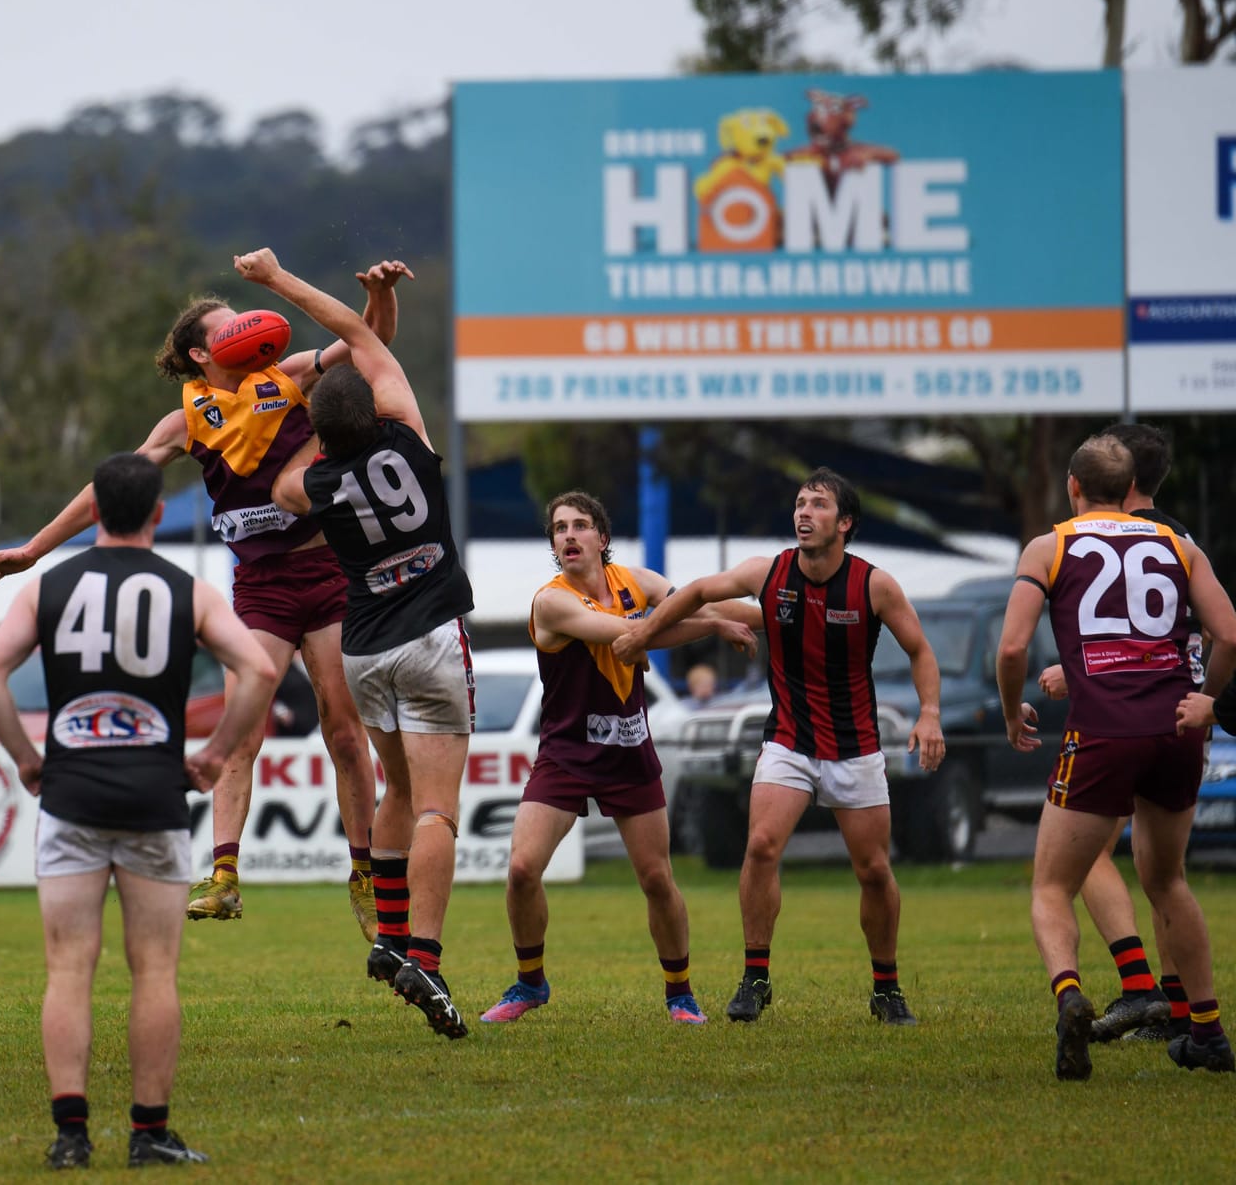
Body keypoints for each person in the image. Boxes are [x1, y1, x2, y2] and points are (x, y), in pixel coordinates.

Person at [0, 264, 408, 938]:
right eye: (226, 327)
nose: (243, 329)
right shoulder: (185, 420)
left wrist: (381, 295)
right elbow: (109, 488)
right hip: (260, 587)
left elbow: (366, 342)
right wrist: (33, 549)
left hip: (325, 573)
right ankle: (226, 874)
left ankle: (363, 869)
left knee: (344, 729)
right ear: (204, 353)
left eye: (244, 320)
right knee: (244, 725)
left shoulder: (289, 375)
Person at [0, 451, 276, 1169]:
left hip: (72, 794)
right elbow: (259, 669)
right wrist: (214, 753)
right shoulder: (189, 591)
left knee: (69, 967)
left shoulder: (49, 587)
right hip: (153, 797)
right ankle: (149, 1132)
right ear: (158, 514)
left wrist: (26, 757)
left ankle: (71, 1135)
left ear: (96, 511)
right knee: (155, 969)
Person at [240, 246, 475, 1040]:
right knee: (440, 807)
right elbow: (360, 337)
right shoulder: (407, 434)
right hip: (433, 634)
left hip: (365, 649)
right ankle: (427, 959)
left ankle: (389, 935)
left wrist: (310, 434)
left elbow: (279, 485)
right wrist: (279, 281)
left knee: (399, 792)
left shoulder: (311, 483)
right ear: (375, 409)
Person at [616, 468, 944, 1026]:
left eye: (818, 504)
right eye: (799, 503)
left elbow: (919, 649)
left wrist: (930, 714)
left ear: (844, 523)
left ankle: (886, 987)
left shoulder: (874, 585)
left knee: (872, 870)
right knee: (762, 846)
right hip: (788, 739)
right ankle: (756, 977)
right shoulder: (770, 573)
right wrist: (644, 634)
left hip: (855, 745)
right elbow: (697, 593)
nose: (804, 512)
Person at [996, 433, 1236, 1080]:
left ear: (1072, 486)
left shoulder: (1051, 544)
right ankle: (1207, 1032)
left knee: (1052, 883)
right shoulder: (1180, 545)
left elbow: (1013, 647)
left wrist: (1009, 706)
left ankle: (1070, 994)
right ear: (1131, 488)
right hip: (1175, 731)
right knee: (1168, 879)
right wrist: (1207, 700)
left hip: (1102, 728)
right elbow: (1231, 632)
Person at [480, 491, 756, 1027]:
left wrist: (777, 617)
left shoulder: (638, 581)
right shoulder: (551, 601)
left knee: (656, 878)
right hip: (566, 753)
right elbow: (634, 636)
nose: (568, 536)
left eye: (580, 525)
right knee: (520, 869)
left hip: (629, 748)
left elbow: (699, 605)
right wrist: (710, 625)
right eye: (559, 528)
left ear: (601, 539)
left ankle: (680, 993)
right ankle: (530, 982)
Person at [1034, 422, 1198, 1045]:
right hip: (1180, 718)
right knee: (1164, 874)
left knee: (1084, 861)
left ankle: (1138, 989)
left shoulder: (1104, 540)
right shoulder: (1178, 537)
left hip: (1121, 717)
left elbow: (1130, 640)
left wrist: (1076, 675)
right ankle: (1184, 1015)